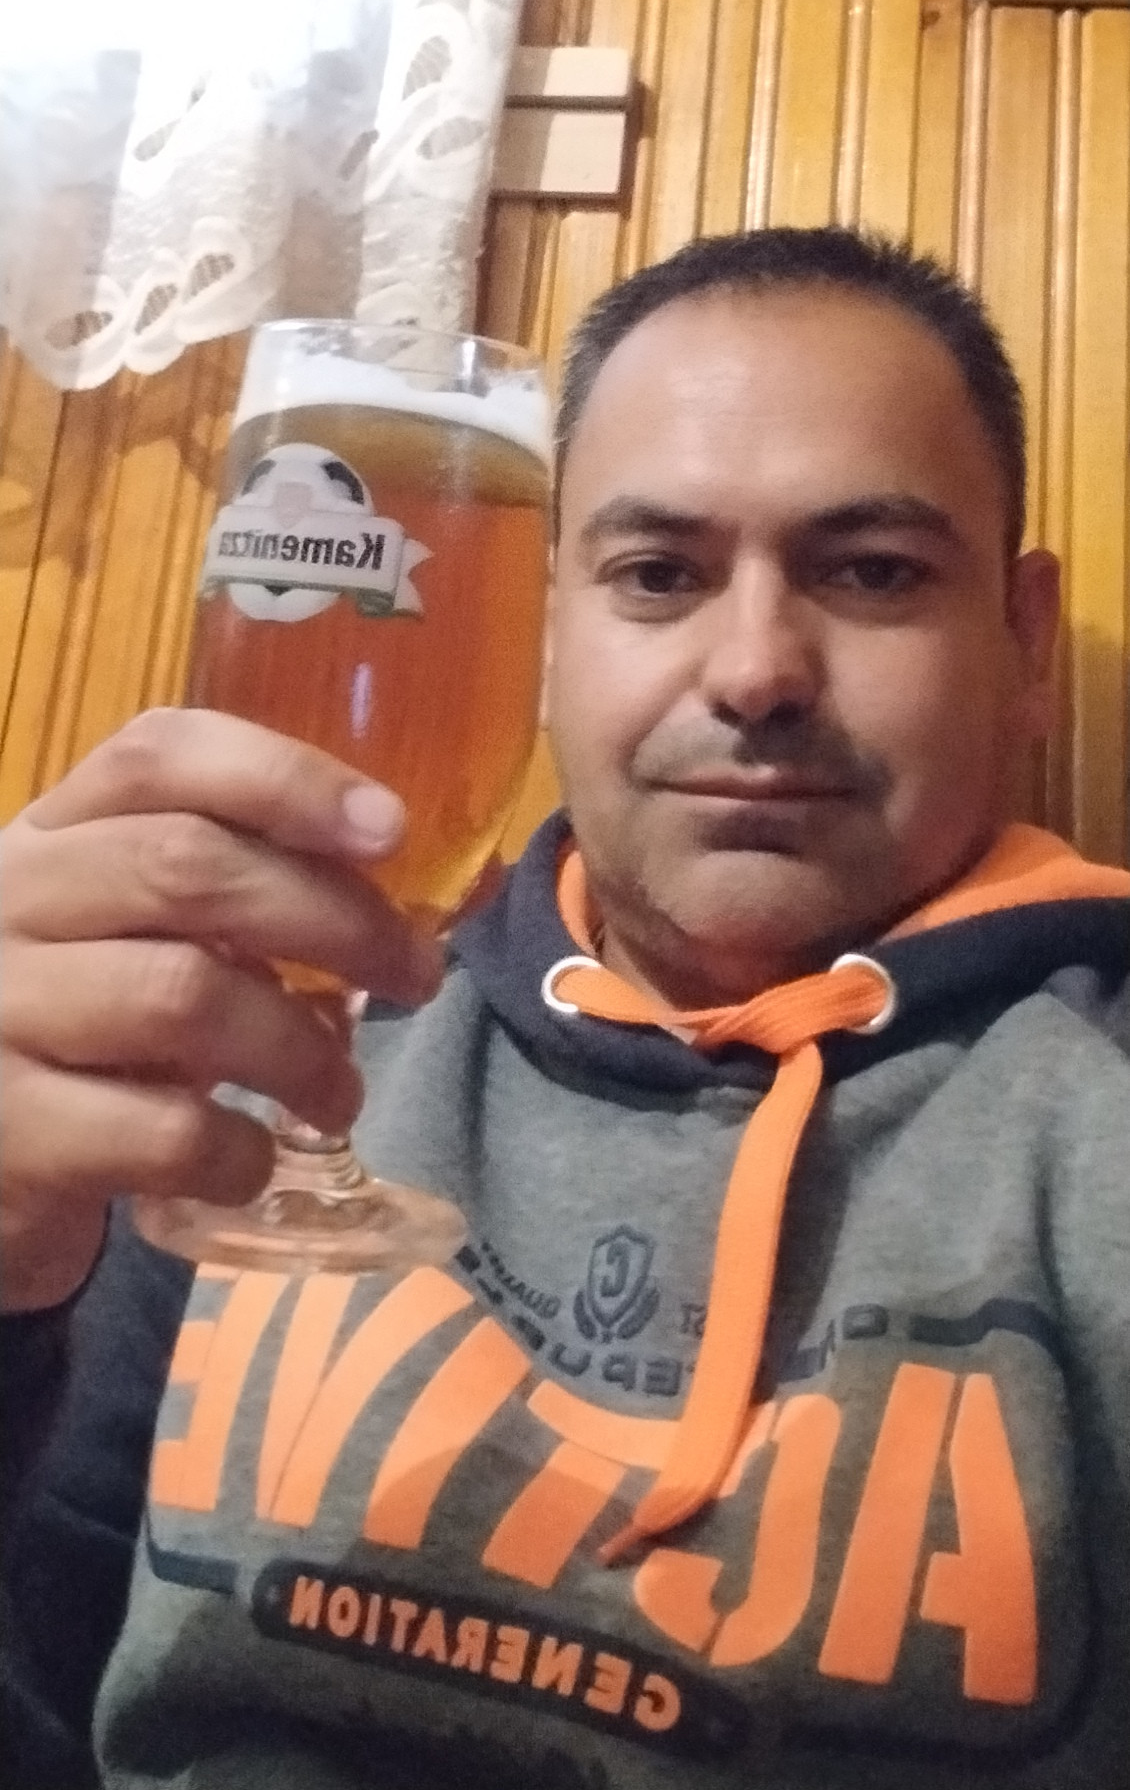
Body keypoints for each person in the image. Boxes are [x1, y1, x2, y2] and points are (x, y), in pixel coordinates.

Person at [2, 224, 1128, 1790]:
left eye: (871, 571)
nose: (755, 670)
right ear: (540, 630)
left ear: (1020, 641)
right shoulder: (247, 1042)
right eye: (656, 574)